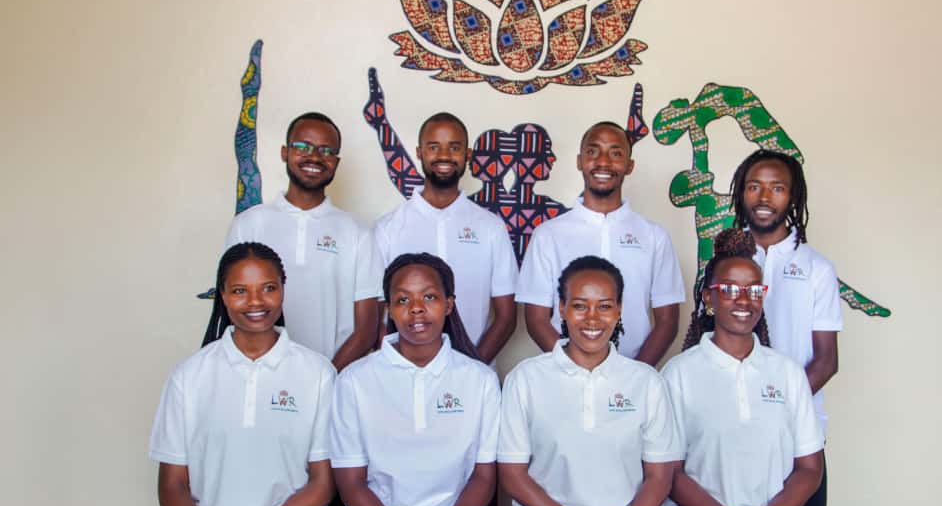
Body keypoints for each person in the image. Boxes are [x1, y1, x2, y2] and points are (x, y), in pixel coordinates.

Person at [655, 229, 848, 506]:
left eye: (754, 290)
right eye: (729, 289)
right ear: (709, 298)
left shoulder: (787, 373)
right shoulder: (678, 374)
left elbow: (809, 469)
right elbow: (670, 476)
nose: (743, 300)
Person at [150, 242, 335, 506]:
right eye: (240, 291)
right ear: (222, 295)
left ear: (283, 289)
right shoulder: (190, 376)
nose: (256, 302)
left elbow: (322, 484)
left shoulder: (317, 374)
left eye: (268, 288)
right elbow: (172, 485)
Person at [499, 256, 681, 506]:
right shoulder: (526, 378)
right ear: (562, 308)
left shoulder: (645, 382)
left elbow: (660, 477)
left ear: (620, 310)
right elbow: (512, 476)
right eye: (580, 306)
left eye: (605, 306)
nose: (592, 318)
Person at [329, 253, 502, 506]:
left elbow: (484, 477)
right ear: (389, 309)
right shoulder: (355, 381)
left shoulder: (480, 380)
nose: (417, 309)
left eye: (430, 297)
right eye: (403, 300)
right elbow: (351, 483)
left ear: (449, 304)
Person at [730, 149, 842, 506]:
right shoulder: (724, 262)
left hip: (797, 432)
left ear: (793, 197)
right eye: (754, 186)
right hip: (735, 427)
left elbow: (826, 361)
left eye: (777, 188)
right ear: (741, 193)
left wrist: (777, 409)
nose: (764, 197)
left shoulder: (817, 269)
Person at [516, 121, 685, 366]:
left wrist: (635, 375)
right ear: (579, 161)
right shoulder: (548, 235)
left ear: (629, 165)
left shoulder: (654, 236)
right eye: (593, 151)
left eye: (615, 153)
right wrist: (573, 369)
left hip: (633, 377)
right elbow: (536, 319)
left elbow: (667, 322)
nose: (603, 162)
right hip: (563, 375)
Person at [226, 112, 382, 371]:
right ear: (284, 152)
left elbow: (366, 330)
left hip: (335, 378)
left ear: (336, 162)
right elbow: (232, 308)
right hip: (258, 375)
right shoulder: (249, 224)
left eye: (326, 150)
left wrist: (324, 380)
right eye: (303, 146)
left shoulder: (357, 233)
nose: (315, 157)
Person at [374, 112, 518, 363]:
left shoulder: (491, 227)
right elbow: (378, 318)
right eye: (433, 147)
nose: (444, 155)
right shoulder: (388, 228)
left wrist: (471, 369)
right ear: (419, 152)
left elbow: (506, 318)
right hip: (403, 374)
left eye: (454, 147)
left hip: (475, 372)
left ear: (468, 154)